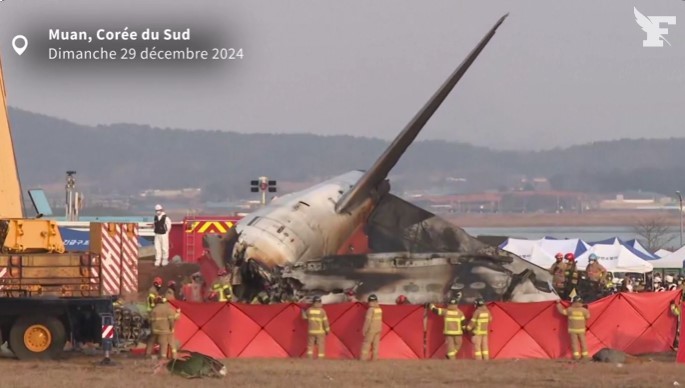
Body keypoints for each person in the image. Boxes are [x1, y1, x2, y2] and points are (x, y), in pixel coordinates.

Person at [556, 296, 590, 360]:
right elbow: (588, 317)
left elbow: (562, 311)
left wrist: (558, 304)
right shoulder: (584, 310)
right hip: (581, 330)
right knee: (583, 342)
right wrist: (587, 309)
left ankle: (576, 356)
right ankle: (585, 356)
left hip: (572, 330)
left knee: (574, 343)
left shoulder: (570, 309)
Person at [360, 294, 382, 361]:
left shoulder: (370, 310)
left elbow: (368, 321)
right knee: (376, 345)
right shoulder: (379, 309)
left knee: (366, 343)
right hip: (378, 329)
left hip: (371, 329)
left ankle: (363, 358)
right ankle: (375, 358)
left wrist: (364, 329)